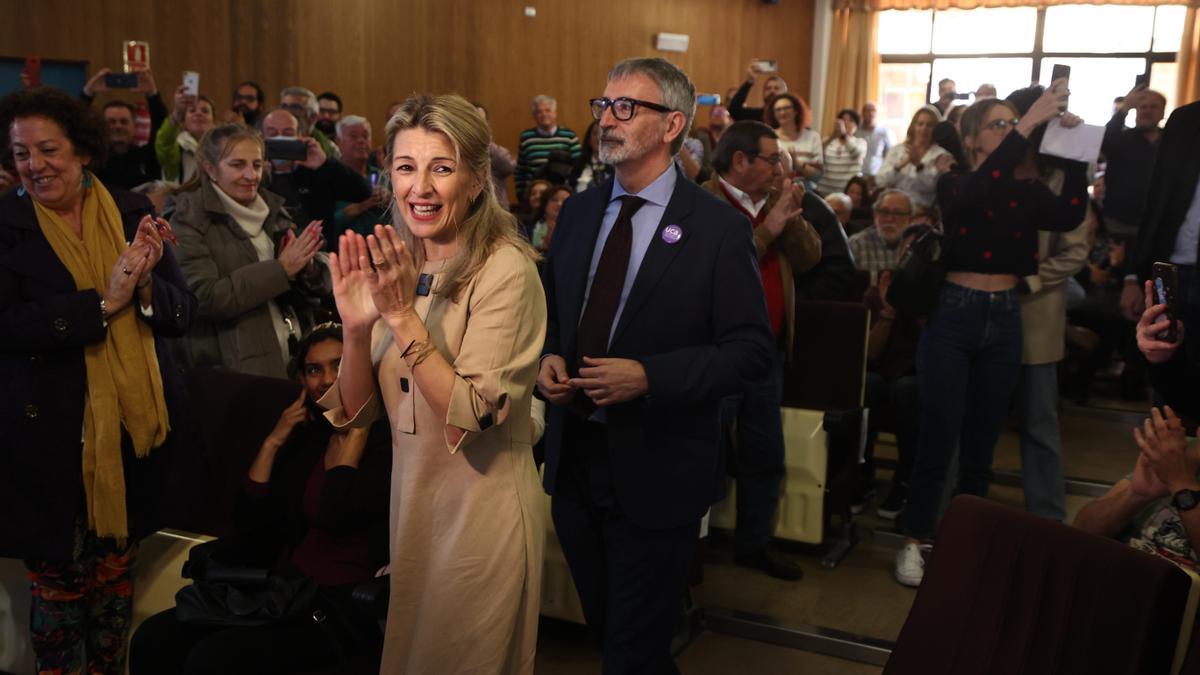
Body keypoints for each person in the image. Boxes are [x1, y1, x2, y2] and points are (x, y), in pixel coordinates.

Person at [538, 57, 773, 673]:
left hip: (658, 465)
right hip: (574, 464)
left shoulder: (718, 228)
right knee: (610, 632)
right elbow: (554, 314)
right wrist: (547, 360)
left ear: (672, 125)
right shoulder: (582, 212)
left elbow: (750, 351)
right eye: (602, 106)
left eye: (625, 108)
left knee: (632, 649)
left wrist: (650, 377)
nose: (605, 121)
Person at [323, 93, 546, 673]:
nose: (419, 187)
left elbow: (471, 413)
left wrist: (399, 317)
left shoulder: (506, 268)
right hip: (415, 513)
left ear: (476, 181)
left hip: (482, 519)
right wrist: (354, 330)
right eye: (405, 167)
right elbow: (355, 416)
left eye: (440, 168)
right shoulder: (403, 261)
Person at [0, 86, 197, 675]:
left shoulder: (133, 210)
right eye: (21, 153)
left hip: (128, 439)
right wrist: (100, 305)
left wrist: (141, 290)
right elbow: (6, 325)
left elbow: (183, 312)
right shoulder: (5, 224)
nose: (34, 165)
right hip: (46, 444)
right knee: (58, 598)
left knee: (115, 588)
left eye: (48, 150)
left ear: (83, 150)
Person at [895, 85, 1088, 587]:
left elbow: (1068, 214)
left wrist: (1081, 151)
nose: (1009, 131)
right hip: (955, 315)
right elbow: (981, 191)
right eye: (998, 125)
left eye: (1012, 124)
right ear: (972, 138)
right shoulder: (954, 183)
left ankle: (967, 542)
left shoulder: (1026, 191)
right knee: (940, 434)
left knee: (982, 441)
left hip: (1005, 315)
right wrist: (1027, 126)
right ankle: (914, 540)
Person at [129, 324, 392, 675]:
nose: (327, 379)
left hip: (340, 605)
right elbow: (252, 525)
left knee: (212, 660)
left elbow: (337, 514)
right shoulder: (309, 440)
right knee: (152, 637)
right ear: (302, 381)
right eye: (314, 370)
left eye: (339, 365)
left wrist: (355, 433)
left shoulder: (383, 442)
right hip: (288, 590)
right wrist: (273, 442)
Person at [703, 120, 821, 580]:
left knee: (764, 452)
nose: (781, 168)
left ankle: (755, 544)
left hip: (765, 351)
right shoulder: (704, 204)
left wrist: (788, 217)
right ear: (739, 161)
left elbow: (810, 258)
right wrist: (769, 229)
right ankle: (691, 546)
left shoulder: (773, 201)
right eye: (772, 159)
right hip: (716, 352)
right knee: (706, 452)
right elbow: (719, 269)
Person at [171, 124, 331, 379]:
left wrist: (310, 269)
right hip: (237, 375)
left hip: (295, 361)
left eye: (257, 165)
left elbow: (319, 285)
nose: (250, 175)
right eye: (237, 165)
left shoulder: (273, 207)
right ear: (210, 169)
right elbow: (203, 297)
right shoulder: (187, 220)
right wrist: (281, 270)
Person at [1003, 86, 1092, 523]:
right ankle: (963, 511)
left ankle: (1047, 518)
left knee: (1039, 424)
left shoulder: (1064, 176)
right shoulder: (996, 168)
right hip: (987, 308)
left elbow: (1076, 251)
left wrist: (1032, 279)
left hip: (1037, 311)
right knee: (974, 420)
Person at [1075, 405, 1200, 571]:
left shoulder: (1178, 468)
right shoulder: (1176, 453)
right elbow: (1080, 532)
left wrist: (1181, 483)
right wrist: (1135, 496)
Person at [861, 225, 927, 518]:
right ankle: (862, 474)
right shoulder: (880, 290)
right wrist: (888, 311)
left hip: (918, 375)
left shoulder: (941, 296)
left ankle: (906, 478)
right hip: (882, 371)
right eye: (908, 251)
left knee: (907, 390)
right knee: (867, 384)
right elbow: (869, 353)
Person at [260, 107, 372, 245]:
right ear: (261, 137)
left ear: (300, 135)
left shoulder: (317, 171)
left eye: (288, 134)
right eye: (272, 133)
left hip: (320, 254)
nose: (280, 138)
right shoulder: (256, 177)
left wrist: (324, 163)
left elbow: (362, 192)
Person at [80, 68, 166, 191]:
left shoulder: (147, 157)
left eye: (124, 121)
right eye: (111, 121)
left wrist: (152, 94)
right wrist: (88, 93)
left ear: (134, 126)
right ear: (102, 126)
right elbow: (73, 126)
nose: (118, 126)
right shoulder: (92, 160)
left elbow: (161, 128)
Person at [1101, 85, 1166, 245]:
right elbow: (1103, 141)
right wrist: (1124, 109)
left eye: (1153, 107)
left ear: (1163, 112)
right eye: (1142, 107)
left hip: (1155, 225)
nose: (1147, 111)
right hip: (1117, 223)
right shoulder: (1122, 138)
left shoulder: (1170, 141)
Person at [875, 106, 947, 213]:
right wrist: (901, 165)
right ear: (913, 126)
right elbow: (881, 181)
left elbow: (933, 187)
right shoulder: (896, 150)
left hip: (923, 211)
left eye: (929, 125)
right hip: (893, 208)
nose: (924, 129)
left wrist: (918, 165)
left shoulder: (941, 155)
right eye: (920, 124)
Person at [514, 94, 581, 200]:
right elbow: (520, 170)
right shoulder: (526, 137)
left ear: (555, 113)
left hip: (562, 196)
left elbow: (579, 166)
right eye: (539, 112)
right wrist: (522, 195)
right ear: (534, 115)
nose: (543, 114)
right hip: (535, 197)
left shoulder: (569, 136)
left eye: (547, 110)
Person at [333, 115, 387, 237]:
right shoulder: (330, 178)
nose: (361, 141)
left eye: (365, 136)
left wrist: (390, 201)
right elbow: (324, 225)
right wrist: (360, 207)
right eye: (353, 136)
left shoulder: (382, 177)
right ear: (338, 142)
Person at [155, 86, 215, 184]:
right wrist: (177, 114)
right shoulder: (176, 149)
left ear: (214, 122)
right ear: (183, 122)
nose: (199, 113)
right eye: (192, 111)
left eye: (205, 111)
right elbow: (164, 144)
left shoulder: (222, 151)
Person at [848, 189, 913, 275]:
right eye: (884, 212)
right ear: (875, 215)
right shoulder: (857, 244)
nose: (890, 219)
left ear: (910, 219)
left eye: (898, 213)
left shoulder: (915, 246)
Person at [765, 93, 822, 191]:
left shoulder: (813, 137)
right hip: (776, 192)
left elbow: (817, 176)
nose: (782, 112)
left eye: (786, 108)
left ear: (796, 111)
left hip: (807, 193)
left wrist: (797, 164)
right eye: (778, 110)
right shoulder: (769, 137)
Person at [474, 102, 516, 208]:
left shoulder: (495, 151)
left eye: (481, 120)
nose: (478, 125)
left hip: (495, 208)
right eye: (474, 120)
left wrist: (485, 143)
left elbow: (508, 166)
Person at [280, 86, 340, 159]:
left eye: (295, 107)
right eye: (284, 106)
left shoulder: (330, 148)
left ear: (313, 116)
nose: (288, 112)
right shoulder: (272, 141)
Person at [817, 109, 867, 196]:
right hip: (824, 190)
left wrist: (844, 135)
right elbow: (817, 153)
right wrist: (833, 136)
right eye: (843, 120)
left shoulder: (860, 142)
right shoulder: (828, 140)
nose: (846, 123)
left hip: (847, 193)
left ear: (856, 126)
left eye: (850, 120)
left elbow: (856, 153)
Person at [572, 120, 613, 193]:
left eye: (603, 134)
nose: (598, 138)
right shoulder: (579, 164)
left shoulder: (617, 165)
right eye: (595, 134)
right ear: (589, 139)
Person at [857, 102, 894, 181]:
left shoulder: (885, 132)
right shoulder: (856, 132)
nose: (871, 113)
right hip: (857, 175)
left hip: (876, 176)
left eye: (873, 111)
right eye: (868, 111)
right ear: (862, 114)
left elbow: (890, 155)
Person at [530, 184, 572, 252]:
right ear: (545, 203)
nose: (559, 204)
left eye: (565, 201)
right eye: (554, 200)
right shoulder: (527, 229)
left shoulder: (574, 234)